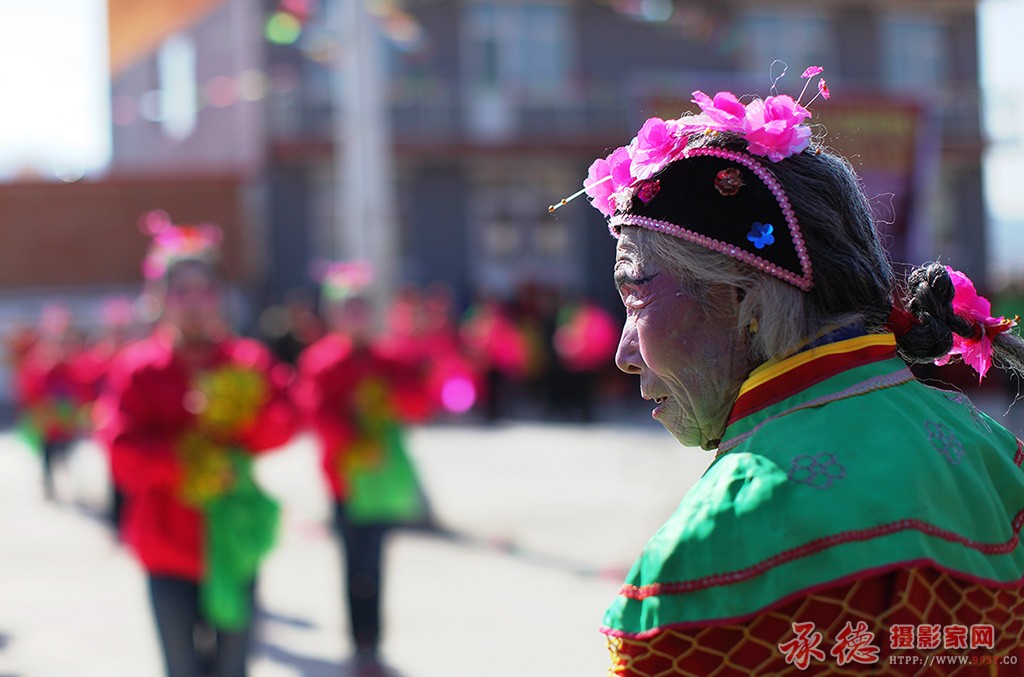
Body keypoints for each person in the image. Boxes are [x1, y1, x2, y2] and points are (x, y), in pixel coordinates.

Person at [559, 67, 1024, 673]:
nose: (623, 353)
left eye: (637, 297)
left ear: (743, 299)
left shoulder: (715, 543)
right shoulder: (992, 452)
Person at [94, 211, 298, 677]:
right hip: (165, 543)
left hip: (235, 537)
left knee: (232, 666)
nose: (192, 302)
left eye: (203, 290)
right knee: (182, 668)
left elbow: (286, 421)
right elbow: (120, 451)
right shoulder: (139, 369)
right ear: (160, 298)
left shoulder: (245, 360)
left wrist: (243, 421)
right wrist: (184, 462)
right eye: (180, 290)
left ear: (220, 296)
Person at [294, 261, 432, 675]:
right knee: (354, 566)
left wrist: (388, 396)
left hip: (381, 482)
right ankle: (359, 641)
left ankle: (371, 642)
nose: (356, 315)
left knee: (373, 564)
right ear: (335, 314)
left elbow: (419, 401)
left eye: (362, 306)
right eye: (348, 307)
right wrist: (353, 441)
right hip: (345, 483)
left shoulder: (387, 357)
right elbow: (316, 414)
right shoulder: (322, 361)